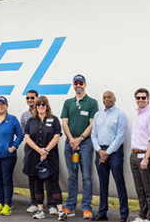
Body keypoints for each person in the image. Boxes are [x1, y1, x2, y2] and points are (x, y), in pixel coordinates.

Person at [60, 74, 98, 219]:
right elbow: (65, 122)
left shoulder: (92, 103)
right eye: (76, 83)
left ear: (85, 85)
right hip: (70, 144)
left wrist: (80, 139)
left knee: (87, 177)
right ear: (73, 85)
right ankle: (70, 207)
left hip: (85, 144)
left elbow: (92, 124)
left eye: (80, 83)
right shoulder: (68, 102)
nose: (78, 85)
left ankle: (86, 208)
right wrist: (71, 140)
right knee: (71, 176)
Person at [23, 96, 65, 220]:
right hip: (35, 156)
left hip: (50, 156)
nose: (41, 106)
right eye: (38, 105)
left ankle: (61, 211)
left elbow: (56, 137)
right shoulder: (31, 121)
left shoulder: (54, 119)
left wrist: (45, 151)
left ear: (47, 106)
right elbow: (27, 138)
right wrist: (39, 150)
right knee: (38, 183)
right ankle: (40, 210)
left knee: (53, 183)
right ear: (36, 107)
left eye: (43, 104)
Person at [91, 90, 129, 222]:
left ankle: (124, 215)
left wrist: (107, 153)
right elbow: (93, 134)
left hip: (115, 153)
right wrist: (99, 150)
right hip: (100, 151)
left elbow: (120, 136)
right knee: (103, 183)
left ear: (114, 98)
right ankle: (102, 212)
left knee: (119, 183)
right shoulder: (98, 115)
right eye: (104, 97)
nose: (106, 99)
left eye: (109, 97)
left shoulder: (120, 114)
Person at [129, 88, 150, 222]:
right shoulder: (137, 114)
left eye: (143, 98)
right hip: (134, 155)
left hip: (145, 155)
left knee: (148, 189)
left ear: (148, 99)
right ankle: (142, 215)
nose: (140, 100)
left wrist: (146, 157)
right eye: (138, 98)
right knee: (139, 188)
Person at [22, 89, 40, 214]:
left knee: (45, 177)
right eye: (28, 98)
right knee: (32, 177)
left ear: (37, 98)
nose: (30, 100)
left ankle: (49, 204)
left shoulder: (43, 111)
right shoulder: (24, 116)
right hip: (30, 149)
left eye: (32, 98)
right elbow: (25, 133)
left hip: (43, 149)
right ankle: (34, 202)